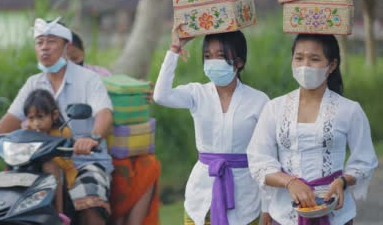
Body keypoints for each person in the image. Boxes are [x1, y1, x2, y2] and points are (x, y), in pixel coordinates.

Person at [0, 17, 114, 225]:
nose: (45, 48)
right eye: (40, 42)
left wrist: (92, 138)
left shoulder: (88, 79)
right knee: (2, 199)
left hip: (83, 160)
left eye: (51, 41)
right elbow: (12, 117)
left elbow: (104, 113)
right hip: (36, 161)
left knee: (89, 200)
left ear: (67, 45)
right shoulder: (33, 83)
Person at [247, 34, 378, 225]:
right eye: (299, 58)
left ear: (331, 65)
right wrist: (289, 182)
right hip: (285, 213)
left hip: (335, 214)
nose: (305, 65)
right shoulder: (275, 108)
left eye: (314, 59)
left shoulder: (350, 110)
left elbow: (364, 160)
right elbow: (258, 159)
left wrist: (342, 182)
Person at [153, 23, 270, 225]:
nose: (213, 61)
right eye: (208, 56)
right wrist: (174, 49)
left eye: (221, 56)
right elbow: (161, 95)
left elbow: (267, 156)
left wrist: (268, 206)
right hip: (201, 192)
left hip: (244, 195)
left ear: (239, 62)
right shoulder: (197, 93)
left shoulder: (259, 101)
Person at [66, 31, 161, 225]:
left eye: (75, 58)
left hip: (104, 146)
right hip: (67, 151)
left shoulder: (99, 75)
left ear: (82, 54)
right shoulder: (45, 81)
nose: (71, 65)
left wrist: (140, 94)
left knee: (148, 164)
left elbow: (120, 96)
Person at [22, 89, 75, 222]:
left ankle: (59, 213)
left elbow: (66, 162)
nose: (36, 123)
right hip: (34, 171)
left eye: (40, 117)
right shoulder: (27, 132)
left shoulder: (62, 133)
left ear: (54, 115)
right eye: (31, 118)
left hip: (60, 172)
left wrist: (49, 150)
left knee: (49, 165)